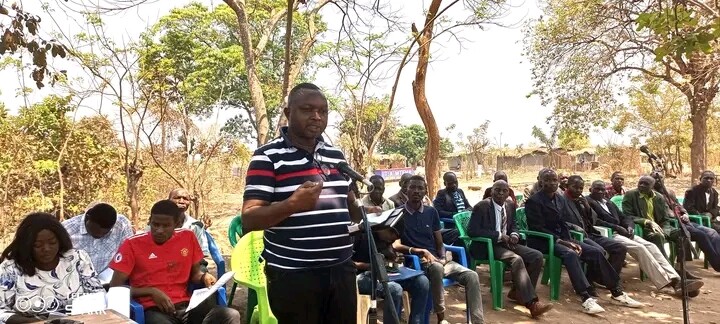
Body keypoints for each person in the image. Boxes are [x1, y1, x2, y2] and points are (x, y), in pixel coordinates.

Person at [241, 83, 361, 323]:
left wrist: (369, 213)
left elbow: (348, 207)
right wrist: (292, 205)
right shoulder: (267, 157)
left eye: (323, 111)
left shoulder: (335, 155)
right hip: (293, 276)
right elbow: (249, 219)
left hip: (342, 269)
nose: (317, 116)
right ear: (288, 113)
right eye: (307, 109)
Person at [525, 169, 643, 314]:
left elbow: (562, 222)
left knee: (596, 252)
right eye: (547, 180)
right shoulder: (534, 201)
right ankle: (586, 297)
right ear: (540, 181)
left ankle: (616, 291)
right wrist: (562, 241)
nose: (552, 183)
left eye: (554, 180)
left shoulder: (559, 198)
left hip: (563, 239)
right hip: (543, 240)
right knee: (570, 254)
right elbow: (538, 227)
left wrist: (569, 239)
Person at [109, 200, 240, 324]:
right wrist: (151, 291)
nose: (159, 230)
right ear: (149, 221)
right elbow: (115, 288)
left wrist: (204, 277)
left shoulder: (187, 237)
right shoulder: (132, 244)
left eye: (166, 226)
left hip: (186, 307)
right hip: (152, 310)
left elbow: (195, 275)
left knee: (230, 315)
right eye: (155, 224)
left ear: (177, 224)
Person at [587, 180, 704, 295]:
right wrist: (617, 228)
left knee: (651, 246)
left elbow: (624, 217)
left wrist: (629, 227)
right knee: (640, 248)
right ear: (590, 189)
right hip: (607, 234)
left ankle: (676, 277)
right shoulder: (588, 202)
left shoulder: (608, 202)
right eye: (597, 189)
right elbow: (596, 221)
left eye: (602, 189)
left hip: (622, 232)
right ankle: (668, 283)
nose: (600, 192)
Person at [394, 175, 484, 324]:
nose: (416, 191)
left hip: (437, 260)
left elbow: (439, 242)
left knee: (472, 276)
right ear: (406, 190)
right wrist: (419, 251)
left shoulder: (431, 212)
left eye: (420, 188)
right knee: (435, 267)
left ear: (425, 191)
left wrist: (442, 256)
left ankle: (477, 321)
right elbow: (396, 245)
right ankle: (441, 316)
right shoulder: (398, 214)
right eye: (412, 187)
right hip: (416, 262)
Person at [468, 180, 552, 318]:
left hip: (505, 244)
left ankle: (517, 292)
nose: (500, 193)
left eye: (504, 191)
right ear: (491, 191)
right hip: (486, 245)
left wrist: (514, 234)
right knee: (516, 259)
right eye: (497, 190)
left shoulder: (510, 204)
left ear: (508, 192)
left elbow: (513, 225)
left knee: (536, 256)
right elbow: (472, 231)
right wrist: (499, 235)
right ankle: (532, 303)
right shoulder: (481, 207)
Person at [0, 212, 104, 323]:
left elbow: (98, 295)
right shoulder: (10, 269)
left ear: (60, 240)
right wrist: (37, 322)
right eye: (38, 245)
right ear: (26, 245)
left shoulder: (77, 259)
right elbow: (1, 312)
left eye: (52, 242)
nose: (46, 249)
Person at [623, 176, 720, 274]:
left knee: (685, 234)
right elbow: (627, 215)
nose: (642, 185)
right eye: (641, 183)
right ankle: (669, 271)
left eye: (646, 184)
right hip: (646, 227)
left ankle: (681, 268)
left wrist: (669, 226)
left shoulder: (659, 196)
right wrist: (647, 222)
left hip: (667, 224)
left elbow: (666, 217)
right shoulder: (630, 195)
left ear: (652, 186)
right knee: (657, 236)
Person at [353, 228, 429, 324]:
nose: (392, 241)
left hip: (386, 275)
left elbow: (390, 259)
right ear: (385, 228)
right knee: (395, 289)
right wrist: (368, 266)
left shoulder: (386, 240)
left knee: (422, 282)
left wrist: (395, 259)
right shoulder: (359, 234)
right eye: (391, 237)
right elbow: (347, 263)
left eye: (394, 239)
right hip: (361, 276)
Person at [563, 175, 628, 275]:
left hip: (591, 234)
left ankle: (606, 278)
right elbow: (560, 222)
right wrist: (574, 227)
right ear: (567, 186)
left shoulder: (582, 200)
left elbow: (594, 220)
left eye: (580, 188)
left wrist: (587, 207)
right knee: (599, 251)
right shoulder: (562, 200)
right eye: (575, 187)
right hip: (575, 236)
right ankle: (597, 278)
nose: (578, 190)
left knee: (620, 248)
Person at [62, 202, 133, 284]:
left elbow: (129, 254)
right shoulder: (67, 230)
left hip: (110, 280)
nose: (99, 235)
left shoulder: (122, 224)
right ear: (87, 218)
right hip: (77, 282)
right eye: (94, 231)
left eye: (104, 234)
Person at [167, 189, 209, 256]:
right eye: (177, 198)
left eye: (185, 199)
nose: (181, 201)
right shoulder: (157, 223)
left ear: (189, 202)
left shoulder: (195, 226)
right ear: (168, 201)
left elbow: (203, 254)